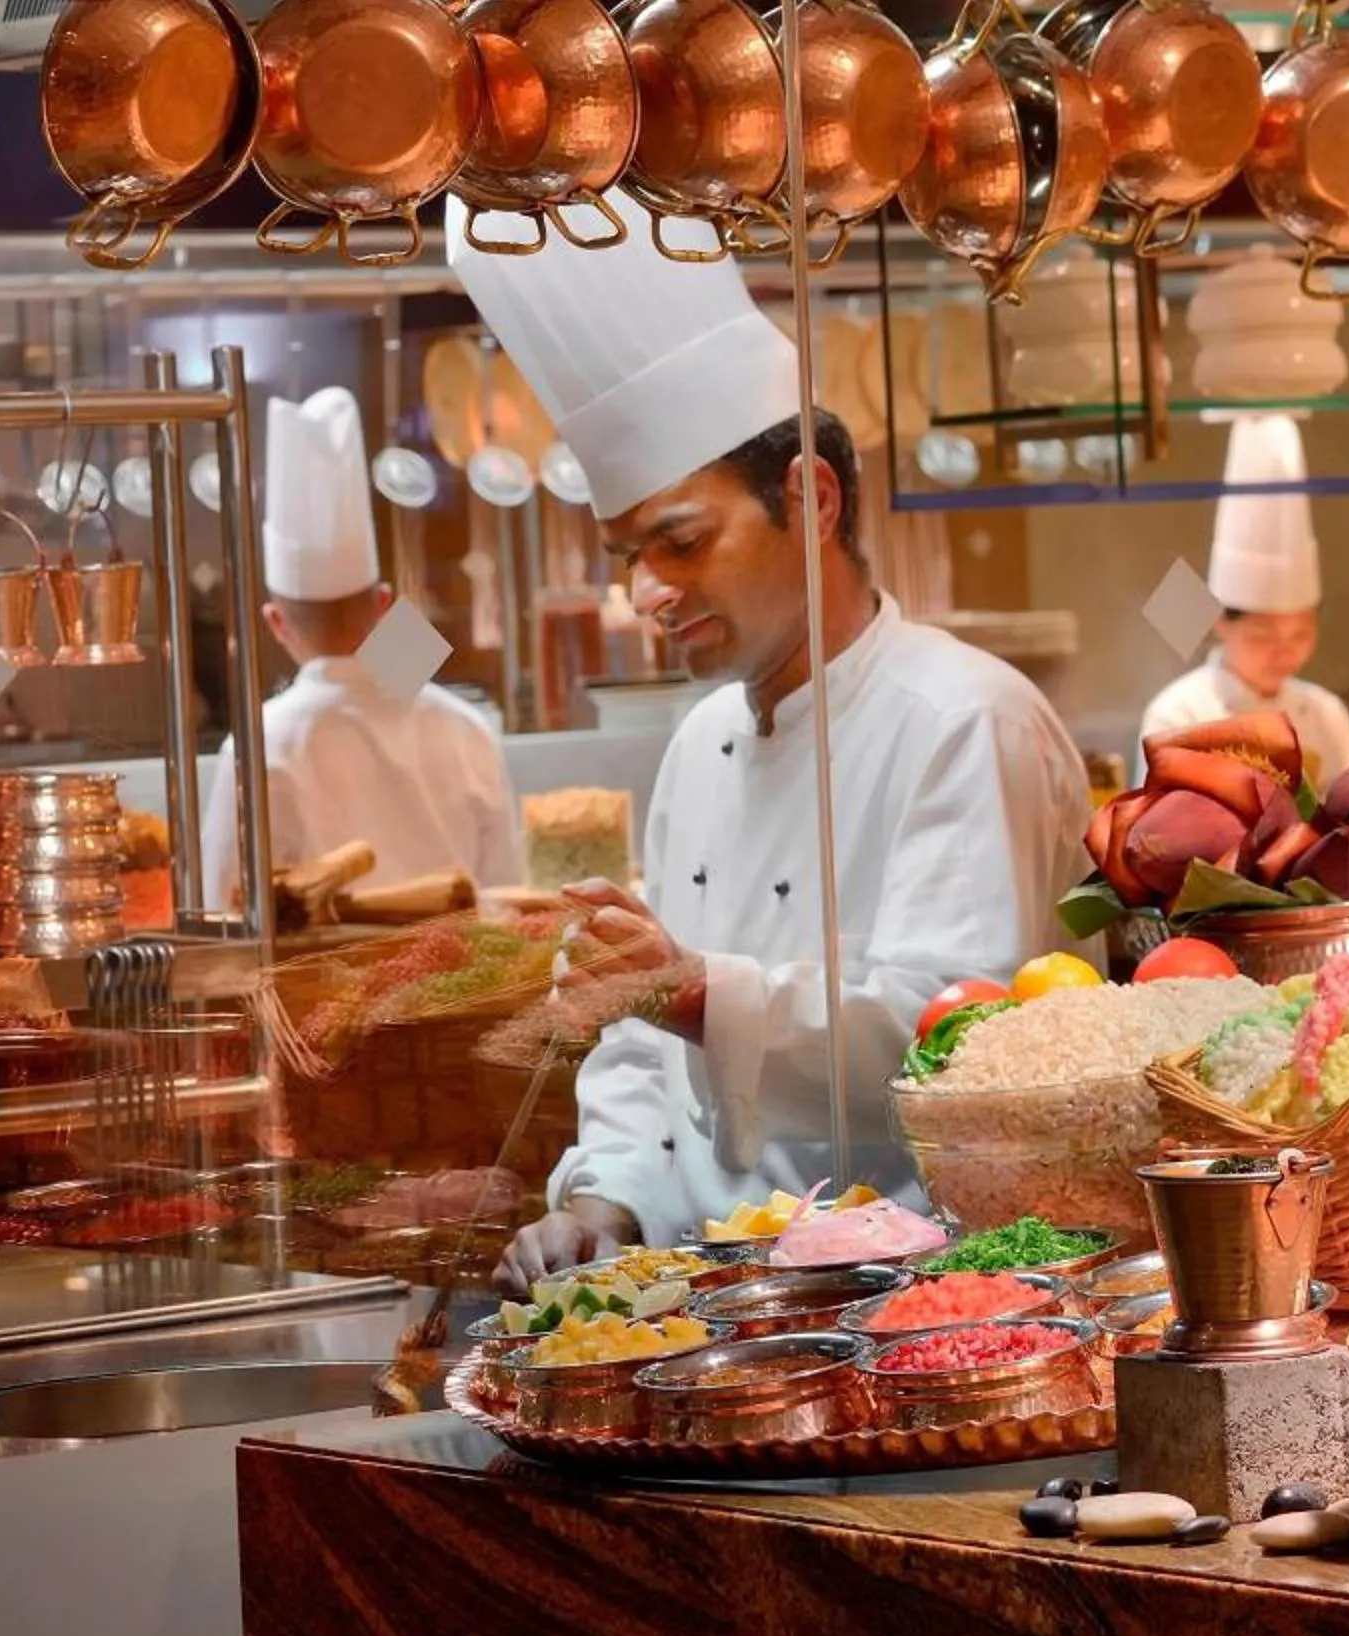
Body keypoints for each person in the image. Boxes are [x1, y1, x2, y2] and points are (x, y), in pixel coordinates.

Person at [455, 191, 1094, 1292]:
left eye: (681, 541)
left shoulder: (964, 719)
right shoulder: (699, 739)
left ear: (812, 500)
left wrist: (698, 992)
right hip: (708, 1293)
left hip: (919, 1296)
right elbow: (643, 1043)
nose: (648, 594)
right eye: (628, 557)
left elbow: (960, 1044)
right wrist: (603, 1201)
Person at [197, 387, 520, 910]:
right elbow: (505, 894)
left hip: (324, 970)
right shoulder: (467, 727)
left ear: (276, 623)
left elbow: (227, 911)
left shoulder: (258, 747)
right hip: (462, 965)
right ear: (384, 604)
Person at [1137, 413, 1349, 784]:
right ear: (1220, 621)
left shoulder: (1326, 713)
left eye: (1301, 634)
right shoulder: (1178, 715)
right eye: (1263, 636)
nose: (1285, 653)